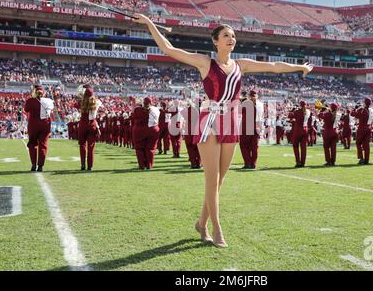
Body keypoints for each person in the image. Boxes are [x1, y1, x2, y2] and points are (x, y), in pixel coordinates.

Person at [133, 14, 313, 248]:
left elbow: (274, 67)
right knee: (211, 178)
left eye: (234, 36)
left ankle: (200, 222)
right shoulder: (205, 63)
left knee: (220, 181)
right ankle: (215, 228)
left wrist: (299, 67)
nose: (231, 39)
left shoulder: (242, 65)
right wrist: (149, 23)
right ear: (215, 41)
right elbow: (169, 49)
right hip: (209, 120)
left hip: (232, 120)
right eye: (226, 35)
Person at [24, 85, 54, 172]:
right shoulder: (49, 101)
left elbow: (26, 110)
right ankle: (40, 166)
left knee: (32, 144)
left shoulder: (30, 100)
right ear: (43, 92)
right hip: (45, 124)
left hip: (33, 124)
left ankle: (33, 164)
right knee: (43, 145)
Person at [77, 86, 102, 171]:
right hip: (92, 124)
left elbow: (79, 96)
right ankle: (90, 166)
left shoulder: (81, 102)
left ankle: (83, 165)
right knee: (91, 146)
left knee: (82, 145)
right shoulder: (97, 102)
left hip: (83, 124)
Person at [132, 97, 161, 170]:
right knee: (151, 148)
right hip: (153, 130)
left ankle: (142, 165)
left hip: (140, 131)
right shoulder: (156, 109)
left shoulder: (137, 109)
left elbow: (133, 117)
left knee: (139, 148)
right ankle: (149, 165)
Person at [240, 90, 263, 169]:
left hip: (246, 126)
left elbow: (239, 112)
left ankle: (247, 163)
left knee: (243, 145)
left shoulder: (246, 103)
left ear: (249, 96)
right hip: (257, 127)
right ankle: (253, 164)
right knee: (254, 147)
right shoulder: (261, 104)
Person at [351, 98, 373, 165]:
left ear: (365, 103)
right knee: (367, 145)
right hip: (369, 128)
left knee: (358, 143)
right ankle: (367, 160)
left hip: (362, 128)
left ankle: (361, 158)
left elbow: (354, 114)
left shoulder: (362, 109)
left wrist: (354, 109)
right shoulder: (372, 110)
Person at [289, 100, 310, 168]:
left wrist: (293, 109)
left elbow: (290, 116)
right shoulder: (308, 111)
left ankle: (298, 162)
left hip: (298, 130)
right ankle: (303, 163)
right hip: (305, 129)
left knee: (295, 146)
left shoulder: (297, 111)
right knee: (304, 147)